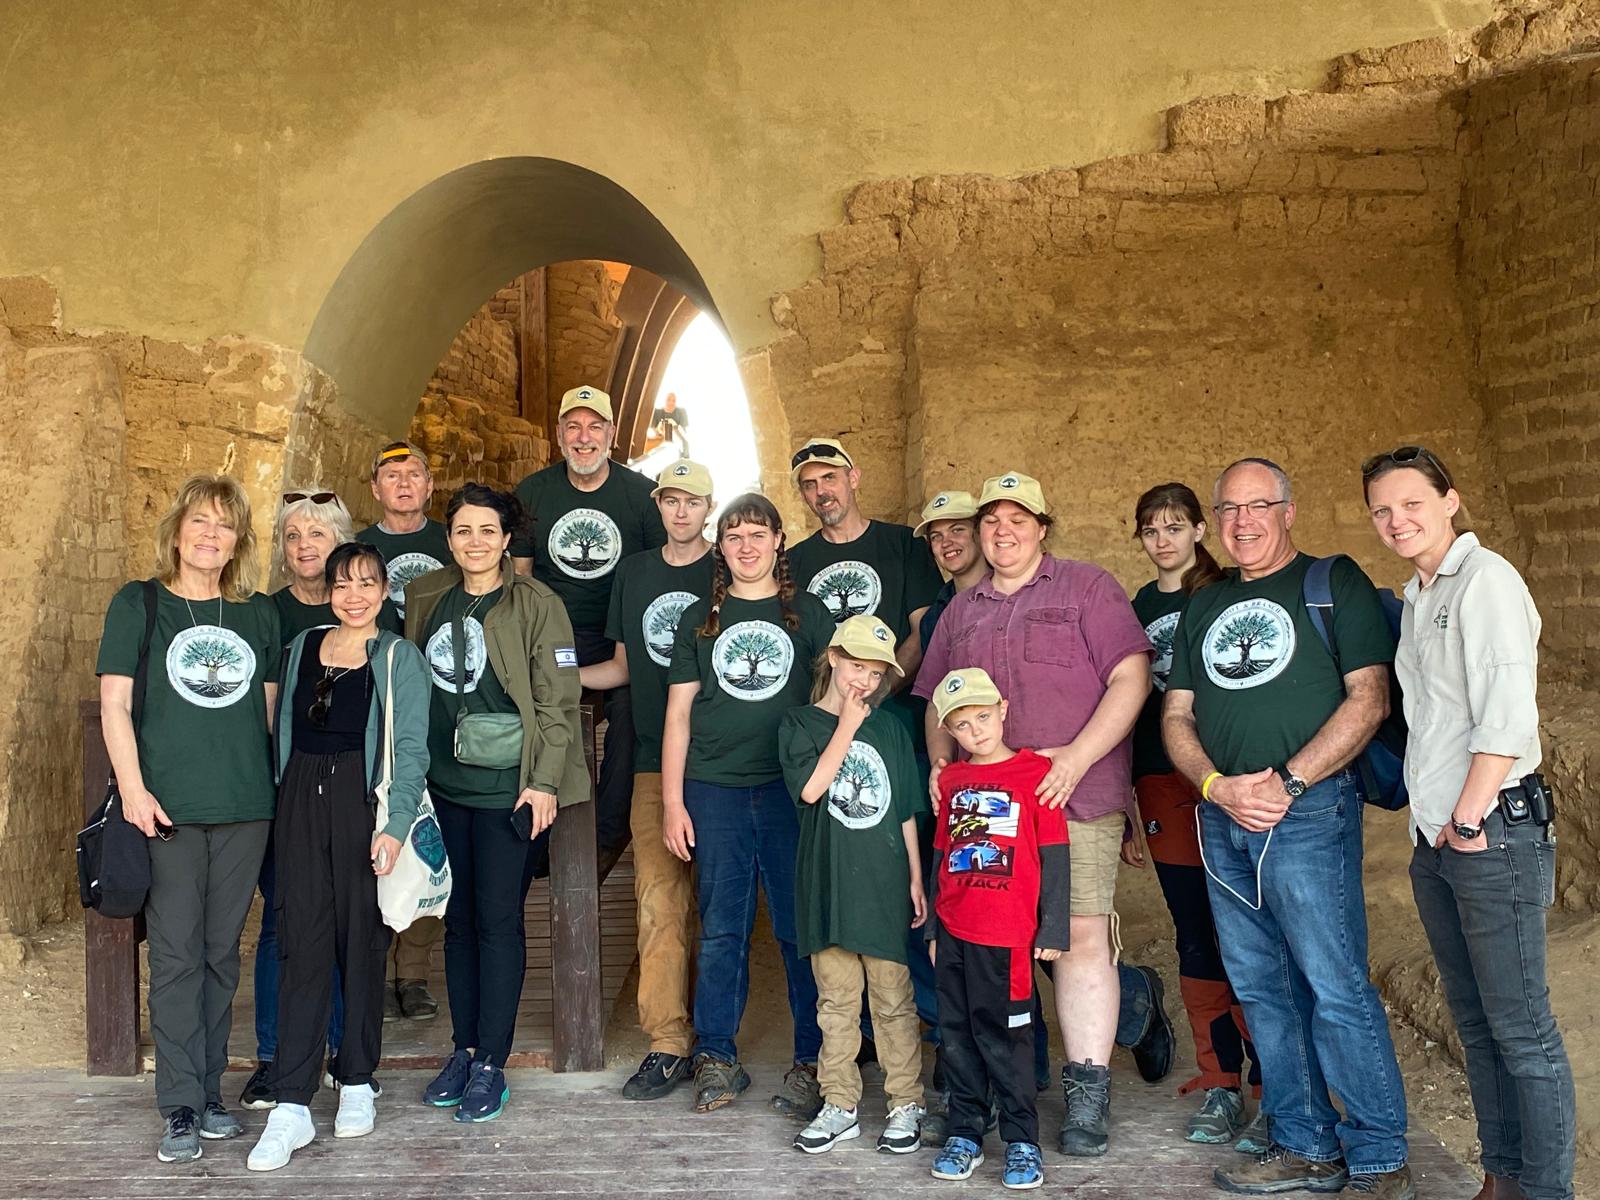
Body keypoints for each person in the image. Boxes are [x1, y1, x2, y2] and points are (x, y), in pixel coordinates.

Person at [1163, 457, 1411, 1198]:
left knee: (1333, 987)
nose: (1244, 521)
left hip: (1305, 813)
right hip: (1222, 818)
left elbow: (1368, 699)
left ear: (1288, 510)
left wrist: (1289, 780)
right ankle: (1303, 1144)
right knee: (1264, 988)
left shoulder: (1334, 583)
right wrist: (1215, 785)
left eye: (1258, 506)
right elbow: (1176, 715)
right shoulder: (1203, 608)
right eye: (1230, 509)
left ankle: (1379, 1158)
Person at [916, 470, 1152, 1159]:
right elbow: (936, 700)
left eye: (1018, 520)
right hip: (983, 807)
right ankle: (981, 1087)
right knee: (985, 939)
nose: (1003, 532)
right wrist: (941, 767)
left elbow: (1131, 676)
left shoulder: (1088, 588)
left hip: (1065, 796)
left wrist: (1076, 757)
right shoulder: (963, 611)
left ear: (1043, 528)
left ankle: (1087, 1085)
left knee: (1074, 934)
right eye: (991, 521)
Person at [1365, 446, 1574, 1200]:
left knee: (1523, 1031)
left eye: (1412, 503)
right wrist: (1439, 828)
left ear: (1450, 500)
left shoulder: (1486, 583)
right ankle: (1502, 1176)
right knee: (1477, 1023)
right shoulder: (1421, 595)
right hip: (1441, 838)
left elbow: (1508, 717)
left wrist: (1467, 813)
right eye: (1382, 510)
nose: (1397, 520)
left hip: (1492, 829)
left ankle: (1545, 1191)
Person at [96, 474, 280, 1164]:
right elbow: (115, 705)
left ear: (238, 542)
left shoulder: (257, 615)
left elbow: (264, 714)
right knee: (175, 953)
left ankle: (209, 1093)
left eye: (225, 525)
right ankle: (177, 1101)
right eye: (200, 521)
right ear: (177, 529)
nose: (210, 535)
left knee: (218, 954)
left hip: (245, 807)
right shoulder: (139, 604)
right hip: (167, 809)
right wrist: (134, 790)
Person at [407, 483, 590, 1123]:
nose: (475, 542)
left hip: (507, 787)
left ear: (507, 538)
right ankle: (462, 1048)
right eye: (463, 531)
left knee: (498, 921)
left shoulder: (538, 604)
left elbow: (558, 701)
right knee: (456, 922)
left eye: (488, 530)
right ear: (449, 537)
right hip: (442, 786)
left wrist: (542, 782)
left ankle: (492, 1061)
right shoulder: (426, 595)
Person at [247, 542, 429, 1171]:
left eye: (367, 584)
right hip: (300, 793)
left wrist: (395, 824)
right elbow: (280, 730)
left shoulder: (399, 656)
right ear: (329, 591)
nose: (355, 595)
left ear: (384, 592)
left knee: (361, 940)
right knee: (302, 939)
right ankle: (291, 1102)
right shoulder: (303, 648)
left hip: (362, 799)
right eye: (343, 584)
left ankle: (356, 1079)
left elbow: (409, 746)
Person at [661, 493, 834, 1116]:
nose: (746, 546)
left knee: (798, 928)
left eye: (758, 534)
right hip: (716, 787)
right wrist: (673, 802)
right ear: (720, 545)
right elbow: (678, 714)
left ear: (779, 541)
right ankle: (716, 1055)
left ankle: (814, 1059)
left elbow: (838, 701)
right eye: (734, 535)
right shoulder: (699, 619)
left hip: (792, 793)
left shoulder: (807, 614)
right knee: (722, 928)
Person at [240, 488, 402, 1111]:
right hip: (291, 790)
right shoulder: (269, 615)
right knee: (288, 920)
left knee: (348, 923)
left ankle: (343, 1054)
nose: (304, 545)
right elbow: (266, 711)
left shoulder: (381, 635)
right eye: (292, 535)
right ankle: (278, 1055)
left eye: (318, 535)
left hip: (350, 791)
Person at [1122, 483, 1262, 1149]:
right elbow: (1124, 701)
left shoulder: (1226, 592)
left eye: (1176, 526)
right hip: (1160, 779)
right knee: (1195, 928)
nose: (1164, 539)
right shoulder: (1139, 606)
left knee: (1249, 923)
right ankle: (1219, 1079)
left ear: (1200, 530)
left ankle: (1271, 1077)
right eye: (1151, 529)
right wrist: (1122, 791)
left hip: (1227, 774)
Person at [580, 459, 717, 1101]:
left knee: (722, 905)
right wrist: (556, 680)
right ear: (657, 507)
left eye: (693, 500)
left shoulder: (732, 565)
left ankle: (719, 1037)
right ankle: (668, 1041)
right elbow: (622, 667)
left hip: (721, 764)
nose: (681, 510)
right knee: (659, 902)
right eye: (670, 500)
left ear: (708, 508)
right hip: (648, 760)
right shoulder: (633, 572)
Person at [779, 615, 928, 1155]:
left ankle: (905, 1102)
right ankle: (839, 1103)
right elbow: (813, 790)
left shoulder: (891, 728)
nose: (863, 680)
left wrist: (915, 875)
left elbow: (908, 808)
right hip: (827, 882)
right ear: (834, 659)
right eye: (856, 666)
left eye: (875, 673)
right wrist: (845, 724)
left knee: (893, 999)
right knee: (836, 1002)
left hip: (884, 880)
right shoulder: (797, 723)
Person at [511, 386, 666, 872]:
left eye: (594, 426)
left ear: (612, 435)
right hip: (554, 632)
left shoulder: (641, 496)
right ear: (558, 435)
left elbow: (658, 571)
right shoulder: (534, 492)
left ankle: (604, 833)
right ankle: (539, 832)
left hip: (621, 631)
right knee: (536, 709)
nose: (584, 437)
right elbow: (520, 576)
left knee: (633, 710)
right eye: (573, 427)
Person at [924, 668, 1069, 1191]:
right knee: (957, 1035)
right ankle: (965, 1131)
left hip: (1007, 937)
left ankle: (1022, 1139)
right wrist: (934, 931)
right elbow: (943, 855)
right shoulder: (953, 781)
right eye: (962, 725)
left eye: (983, 718)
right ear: (950, 730)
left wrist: (1051, 926)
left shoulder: (1036, 773)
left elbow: (1054, 855)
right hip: (955, 931)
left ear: (1003, 709)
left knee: (1007, 1038)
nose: (976, 731)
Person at [356, 442, 450, 1021]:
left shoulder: (450, 540)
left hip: (437, 700)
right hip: (374, 702)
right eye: (392, 475)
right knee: (377, 829)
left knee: (423, 833)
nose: (404, 483)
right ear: (376, 488)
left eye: (414, 473)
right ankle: (374, 958)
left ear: (430, 483)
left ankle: (413, 972)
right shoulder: (361, 548)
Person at [915, 490, 985, 654]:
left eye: (957, 530)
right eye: (936, 536)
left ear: (981, 532)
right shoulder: (935, 617)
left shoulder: (1014, 593)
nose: (946, 542)